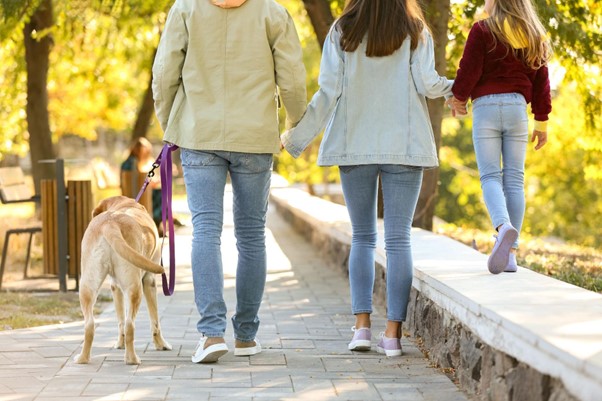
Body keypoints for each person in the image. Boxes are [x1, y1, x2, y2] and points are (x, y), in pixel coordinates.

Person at [281, 0, 453, 357]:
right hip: (404, 147)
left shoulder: (343, 30)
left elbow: (328, 93)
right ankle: (392, 336)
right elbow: (428, 83)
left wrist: (296, 139)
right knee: (398, 239)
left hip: (354, 144)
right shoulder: (416, 30)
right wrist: (460, 89)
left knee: (362, 236)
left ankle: (361, 328)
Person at [152, 0, 307, 363]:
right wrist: (293, 123)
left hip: (199, 133)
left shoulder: (185, 9)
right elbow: (294, 80)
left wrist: (172, 122)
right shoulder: (273, 13)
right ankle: (247, 336)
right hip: (254, 136)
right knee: (252, 234)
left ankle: (210, 335)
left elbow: (163, 74)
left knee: (205, 229)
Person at [448, 0, 551, 274]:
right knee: (514, 178)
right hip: (518, 108)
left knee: (490, 177)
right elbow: (542, 82)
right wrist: (541, 122)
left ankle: (503, 226)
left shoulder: (482, 30)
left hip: (486, 108)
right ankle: (511, 253)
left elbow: (468, 70)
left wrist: (458, 99)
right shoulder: (533, 35)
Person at [120, 137, 163, 230]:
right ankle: (156, 222)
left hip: (130, 193)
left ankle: (160, 221)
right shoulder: (133, 163)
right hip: (137, 195)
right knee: (160, 193)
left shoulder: (128, 162)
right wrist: (152, 183)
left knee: (159, 192)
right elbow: (138, 181)